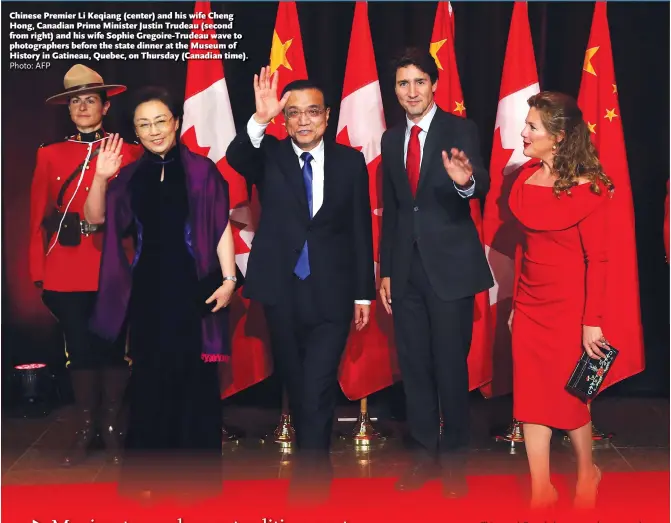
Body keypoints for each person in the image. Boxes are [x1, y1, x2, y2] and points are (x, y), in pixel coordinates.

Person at [225, 68, 375, 492]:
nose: (303, 121)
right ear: (284, 119)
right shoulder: (269, 155)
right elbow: (238, 157)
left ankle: (313, 475)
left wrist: (363, 293)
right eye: (293, 114)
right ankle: (312, 472)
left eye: (312, 112)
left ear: (327, 116)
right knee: (297, 381)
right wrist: (260, 118)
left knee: (319, 384)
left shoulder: (350, 162)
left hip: (333, 292)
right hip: (281, 291)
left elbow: (360, 230)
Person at [85, 87, 235, 496]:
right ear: (135, 131)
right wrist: (100, 177)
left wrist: (229, 280)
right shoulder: (130, 177)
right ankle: (149, 481)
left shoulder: (203, 171)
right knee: (151, 384)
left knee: (197, 385)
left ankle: (198, 484)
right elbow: (95, 217)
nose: (154, 131)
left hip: (197, 291)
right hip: (149, 294)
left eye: (160, 121)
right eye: (143, 124)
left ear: (176, 122)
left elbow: (220, 225)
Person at [378, 48, 493, 496]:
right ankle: (424, 455)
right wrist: (386, 270)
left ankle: (454, 464)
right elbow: (393, 211)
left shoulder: (459, 128)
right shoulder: (390, 139)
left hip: (450, 270)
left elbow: (478, 182)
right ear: (396, 90)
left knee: (449, 367)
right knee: (415, 367)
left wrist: (464, 181)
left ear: (434, 84)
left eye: (419, 82)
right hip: (405, 271)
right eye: (403, 83)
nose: (412, 91)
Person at [29, 64, 143, 466]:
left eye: (89, 99)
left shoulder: (130, 151)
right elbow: (37, 217)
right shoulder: (50, 154)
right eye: (75, 100)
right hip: (66, 266)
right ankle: (85, 426)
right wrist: (38, 271)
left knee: (112, 348)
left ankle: (112, 426)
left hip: (114, 265)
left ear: (105, 105)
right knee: (78, 350)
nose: (81, 106)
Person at [508, 91, 614, 509]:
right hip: (531, 308)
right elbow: (524, 255)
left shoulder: (590, 189)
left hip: (571, 311)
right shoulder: (524, 182)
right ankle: (541, 491)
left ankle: (587, 473)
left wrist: (593, 321)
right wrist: (517, 305)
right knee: (531, 401)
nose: (523, 132)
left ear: (558, 136)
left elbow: (599, 260)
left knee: (572, 400)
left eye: (532, 126)